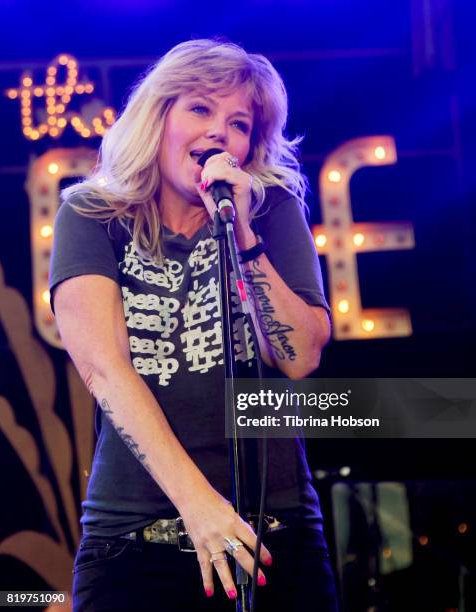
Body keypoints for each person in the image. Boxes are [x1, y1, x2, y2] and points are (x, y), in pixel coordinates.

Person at [49, 39, 338, 611]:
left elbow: (300, 357)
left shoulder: (271, 210)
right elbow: (105, 371)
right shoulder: (92, 215)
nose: (219, 132)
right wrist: (200, 505)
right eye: (200, 109)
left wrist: (246, 233)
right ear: (159, 118)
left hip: (275, 533)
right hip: (137, 541)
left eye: (238, 122)